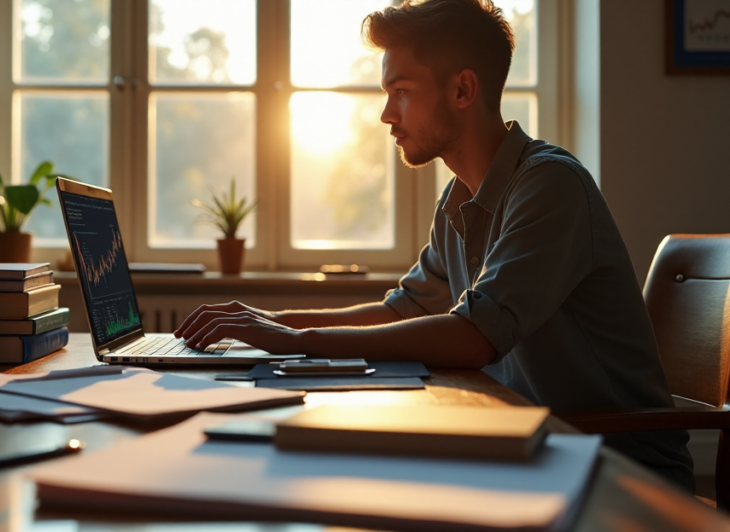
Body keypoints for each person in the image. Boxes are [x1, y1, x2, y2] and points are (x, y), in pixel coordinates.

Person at [174, 0, 695, 492]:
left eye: (401, 91)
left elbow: (473, 338)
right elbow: (402, 310)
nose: (385, 114)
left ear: (463, 90)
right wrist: (271, 324)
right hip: (535, 445)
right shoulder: (458, 198)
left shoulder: (550, 185)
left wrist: (300, 340)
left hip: (613, 468)